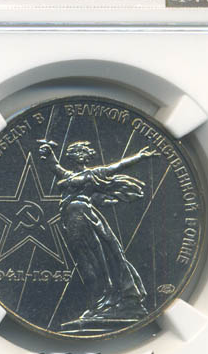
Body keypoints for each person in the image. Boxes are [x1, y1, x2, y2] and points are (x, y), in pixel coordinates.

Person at [38, 138, 159, 324]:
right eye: (75, 153)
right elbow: (54, 166)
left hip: (84, 216)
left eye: (81, 152)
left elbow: (118, 165)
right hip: (71, 219)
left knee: (99, 257)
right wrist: (48, 151)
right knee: (86, 259)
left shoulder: (94, 173)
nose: (78, 155)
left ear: (86, 156)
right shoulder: (68, 174)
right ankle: (103, 299)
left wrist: (140, 157)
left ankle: (112, 298)